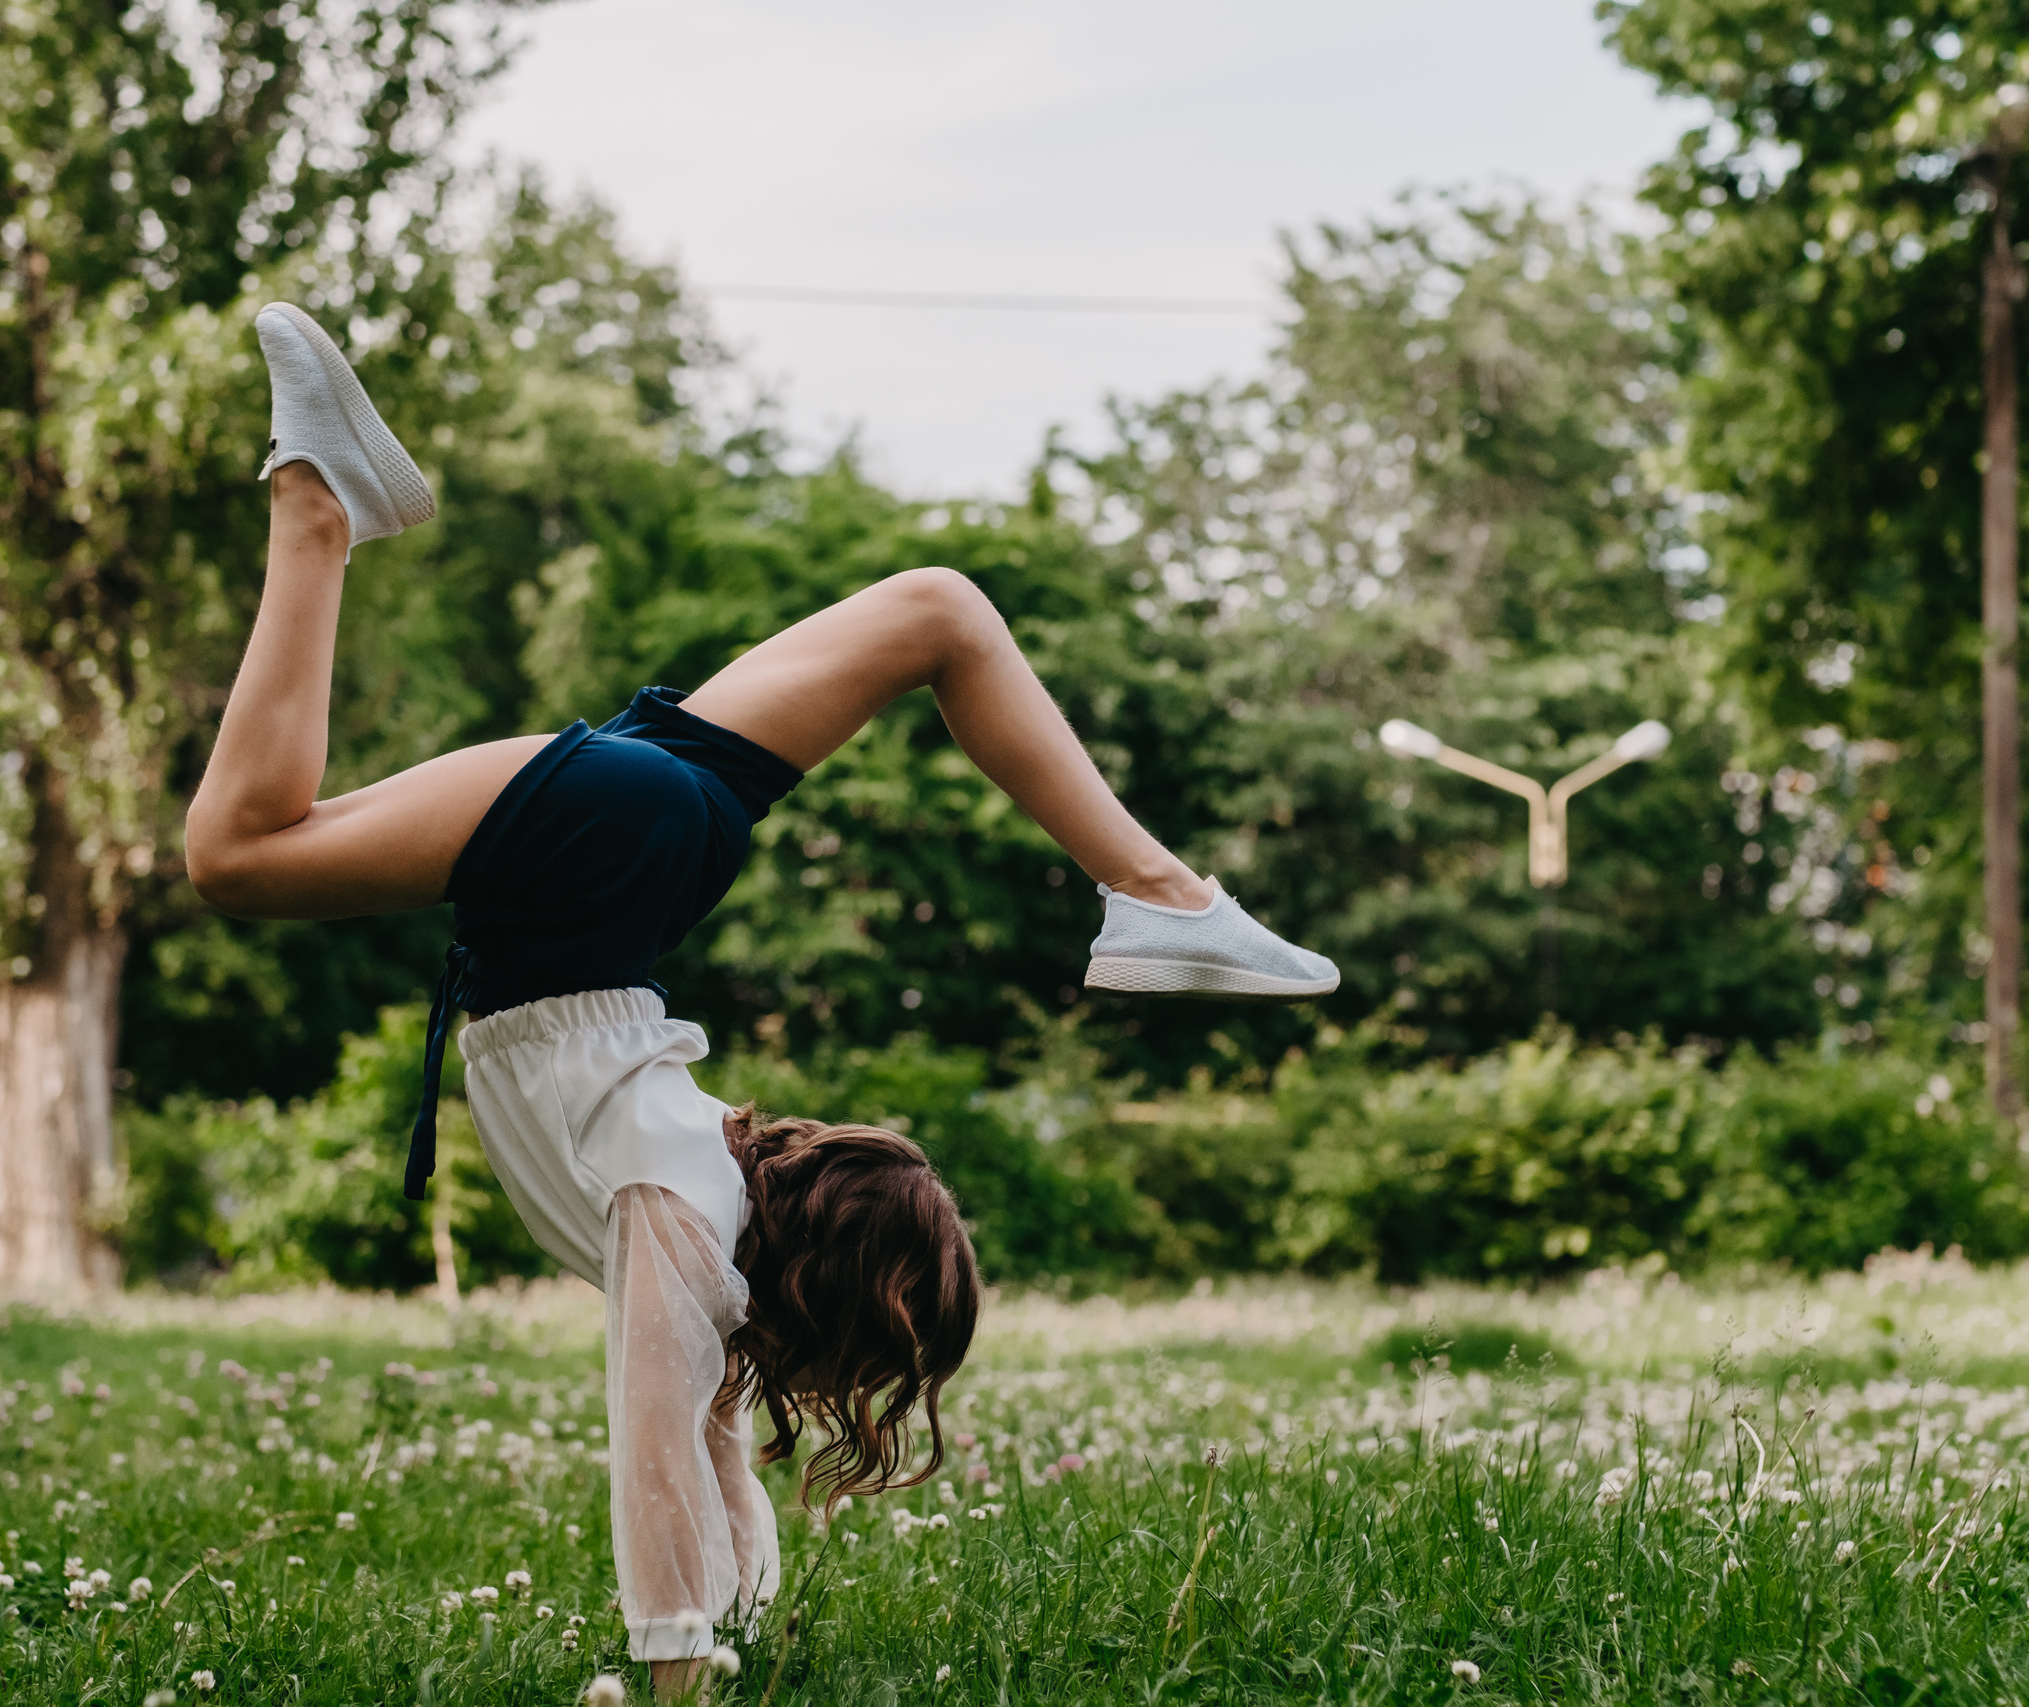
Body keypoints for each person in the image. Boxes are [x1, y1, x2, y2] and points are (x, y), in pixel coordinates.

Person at [183, 302, 1340, 1697]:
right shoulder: (682, 1230)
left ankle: (1163, 898)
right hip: (587, 884)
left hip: (659, 851)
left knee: (938, 612)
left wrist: (740, 1630)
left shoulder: (709, 1235)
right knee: (239, 855)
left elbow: (712, 1446)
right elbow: (658, 1451)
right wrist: (674, 1668)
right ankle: (319, 511)